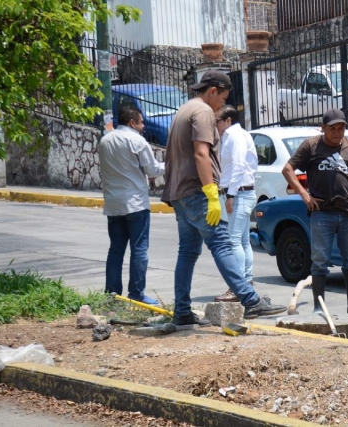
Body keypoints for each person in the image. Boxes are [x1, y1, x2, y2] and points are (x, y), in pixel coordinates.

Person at [162, 70, 285, 326]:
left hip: (179, 193)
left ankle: (182, 312)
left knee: (187, 252)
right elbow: (200, 154)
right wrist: (211, 193)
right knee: (222, 244)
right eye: (223, 98)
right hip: (197, 192)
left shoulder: (183, 110)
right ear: (213, 90)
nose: (222, 107)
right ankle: (251, 301)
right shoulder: (203, 111)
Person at [281, 108, 348, 315]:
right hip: (321, 213)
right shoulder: (311, 146)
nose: (337, 132)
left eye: (341, 128)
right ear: (323, 128)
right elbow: (287, 169)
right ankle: (319, 307)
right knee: (320, 260)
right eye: (332, 128)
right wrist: (304, 195)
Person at [99, 105, 165, 305]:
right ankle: (136, 294)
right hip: (136, 203)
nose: (143, 126)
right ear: (132, 123)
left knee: (116, 249)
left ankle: (112, 294)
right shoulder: (137, 140)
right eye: (141, 122)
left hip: (113, 203)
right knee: (139, 249)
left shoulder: (105, 140)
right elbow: (153, 169)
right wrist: (172, 164)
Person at [213, 105, 258, 302]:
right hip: (242, 192)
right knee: (242, 240)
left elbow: (238, 166)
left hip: (239, 193)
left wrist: (230, 194)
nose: (216, 125)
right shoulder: (238, 135)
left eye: (218, 121)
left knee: (233, 240)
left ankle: (237, 286)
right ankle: (246, 282)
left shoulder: (233, 135)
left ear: (228, 120)